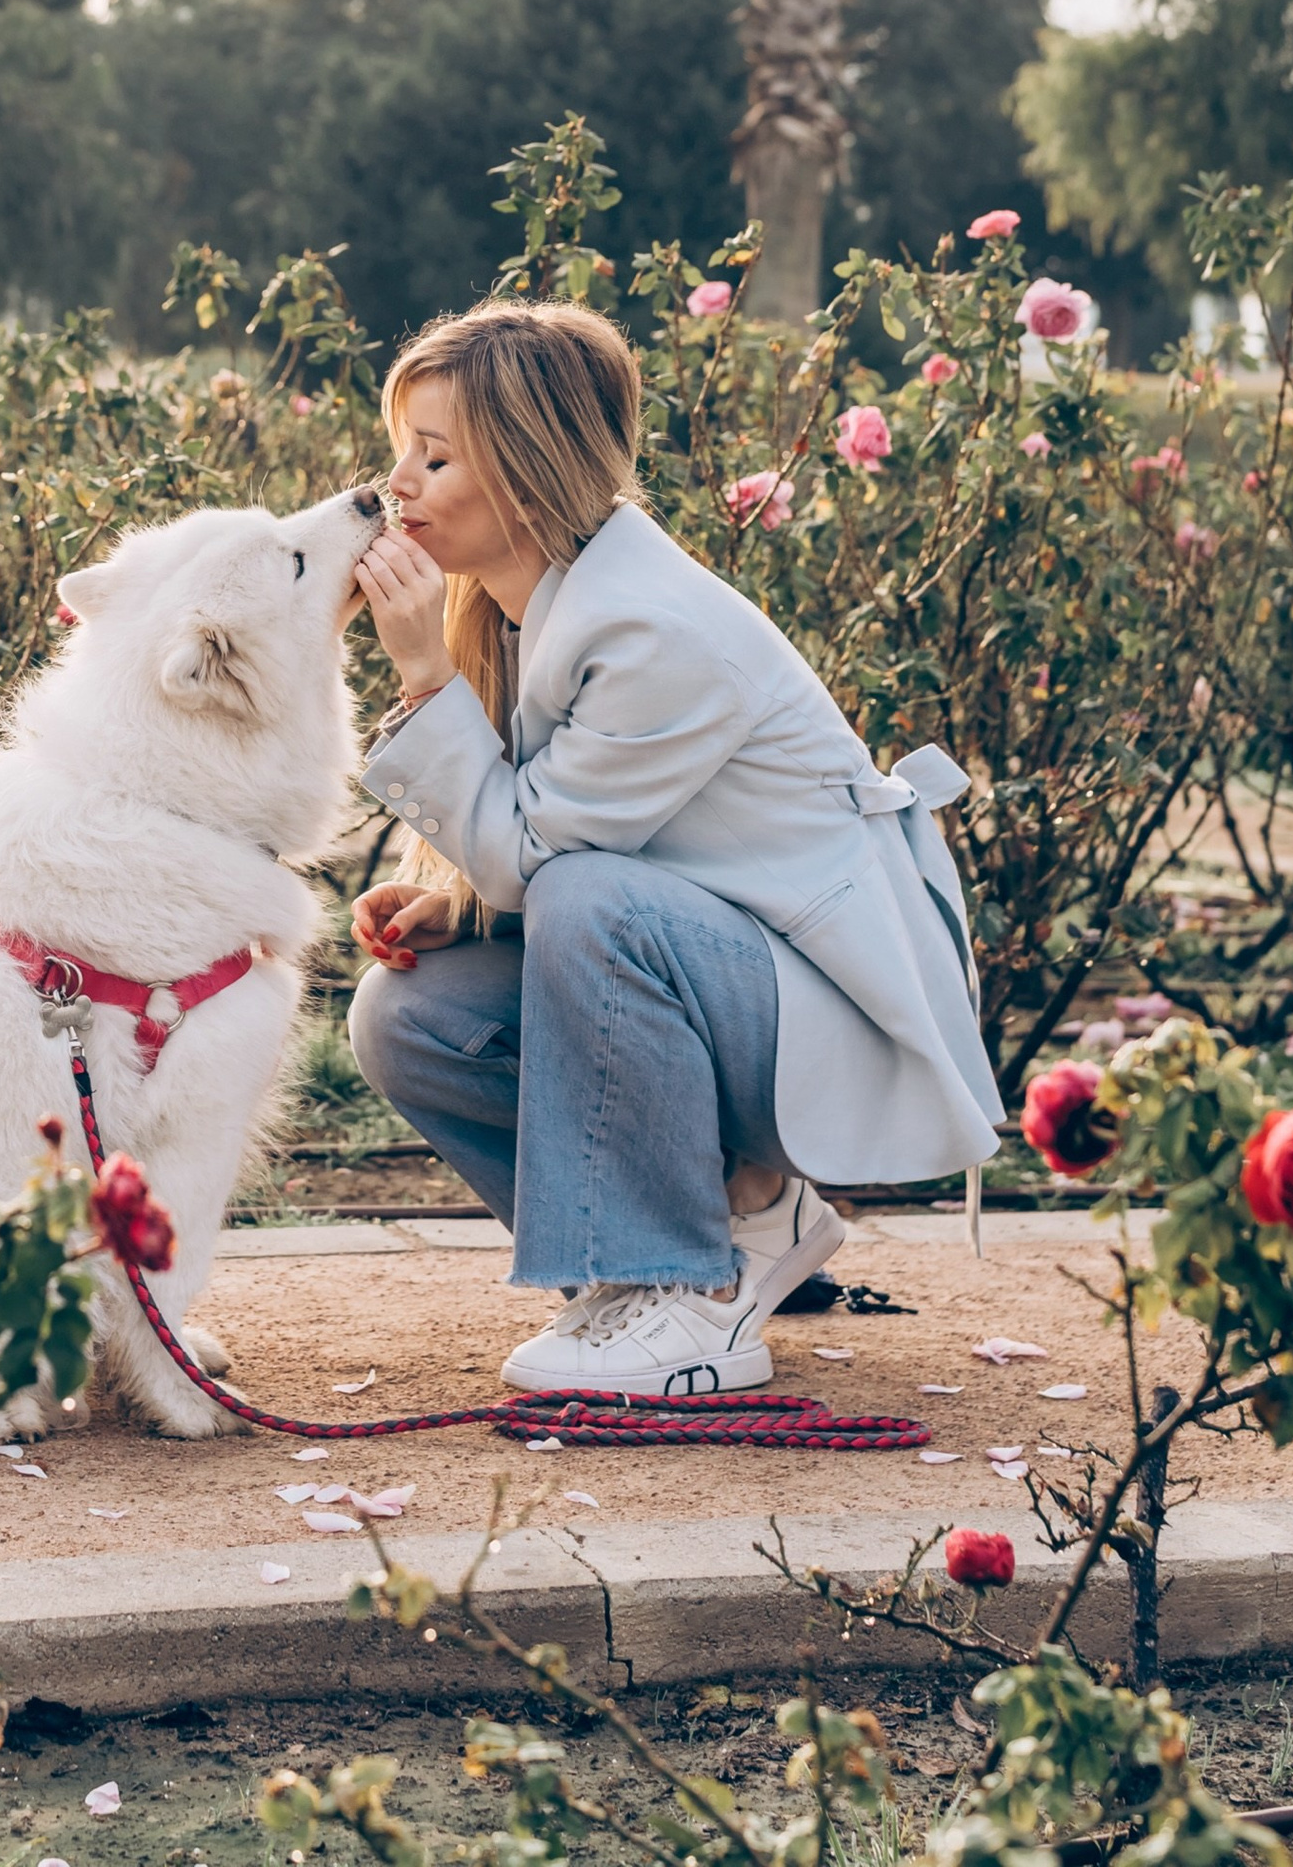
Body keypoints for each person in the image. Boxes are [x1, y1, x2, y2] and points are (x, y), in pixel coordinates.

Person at [346, 297, 1001, 1398]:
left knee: (589, 900)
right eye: (400, 449)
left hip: (833, 1013)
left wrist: (421, 679)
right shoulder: (530, 610)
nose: (395, 484)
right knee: (411, 1016)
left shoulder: (649, 627)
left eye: (434, 456)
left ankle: (691, 1296)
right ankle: (716, 1225)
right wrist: (469, 911)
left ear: (527, 471)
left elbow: (553, 864)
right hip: (744, 983)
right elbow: (554, 847)